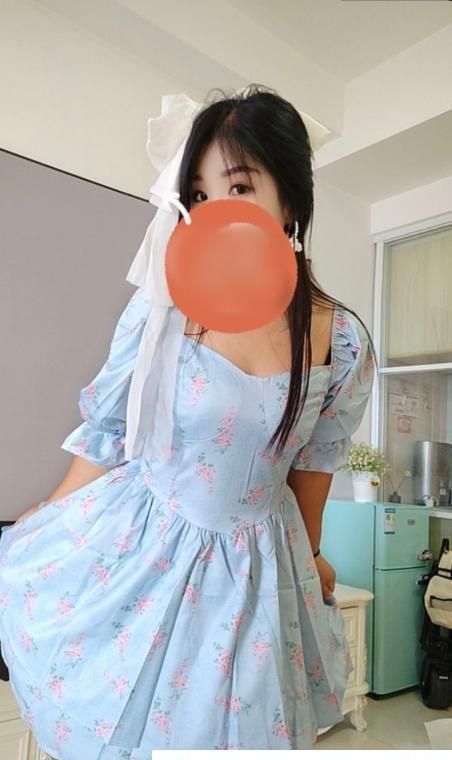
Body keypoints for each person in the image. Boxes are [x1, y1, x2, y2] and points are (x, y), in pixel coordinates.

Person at [0, 84, 377, 758]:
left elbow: (312, 470)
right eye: (198, 195)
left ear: (291, 202)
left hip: (258, 570)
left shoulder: (341, 340)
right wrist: (51, 513)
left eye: (239, 186)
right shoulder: (165, 307)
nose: (215, 212)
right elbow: (111, 431)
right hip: (146, 545)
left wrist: (312, 558)